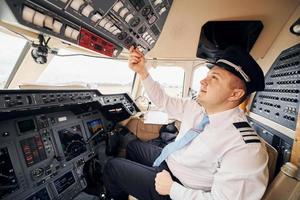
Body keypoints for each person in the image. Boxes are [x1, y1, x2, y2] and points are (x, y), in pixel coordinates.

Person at [103, 46, 269, 200]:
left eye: (214, 78)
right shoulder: (196, 106)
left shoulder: (244, 147)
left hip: (182, 189)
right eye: (207, 76)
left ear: (234, 94)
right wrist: (142, 72)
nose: (203, 81)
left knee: (113, 167)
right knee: (132, 146)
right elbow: (163, 101)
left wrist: (172, 189)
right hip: (170, 162)